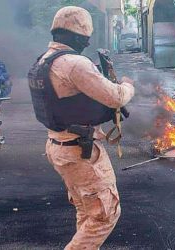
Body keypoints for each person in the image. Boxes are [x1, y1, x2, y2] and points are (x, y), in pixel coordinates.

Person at [29, 6, 135, 249]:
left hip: (59, 146)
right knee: (105, 215)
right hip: (79, 152)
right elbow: (116, 96)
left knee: (87, 211)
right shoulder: (75, 64)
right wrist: (128, 86)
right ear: (76, 36)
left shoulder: (44, 60)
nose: (87, 45)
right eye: (85, 39)